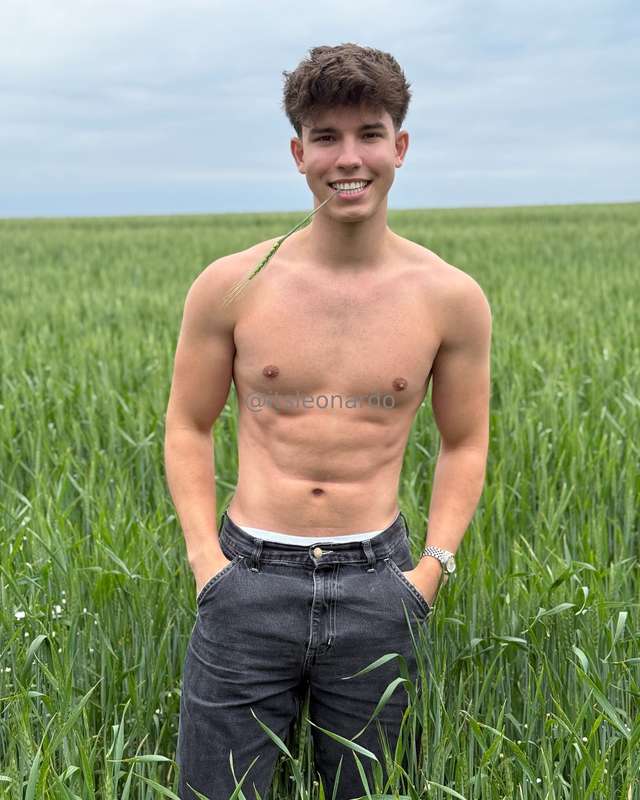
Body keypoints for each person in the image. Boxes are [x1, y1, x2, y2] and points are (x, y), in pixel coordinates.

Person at [164, 42, 491, 800]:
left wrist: (429, 573)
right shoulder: (232, 285)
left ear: (399, 147)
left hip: (380, 584)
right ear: (298, 154)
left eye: (369, 134)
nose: (349, 158)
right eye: (326, 137)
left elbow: (465, 442)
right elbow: (187, 425)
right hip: (246, 581)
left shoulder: (449, 297)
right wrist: (206, 564)